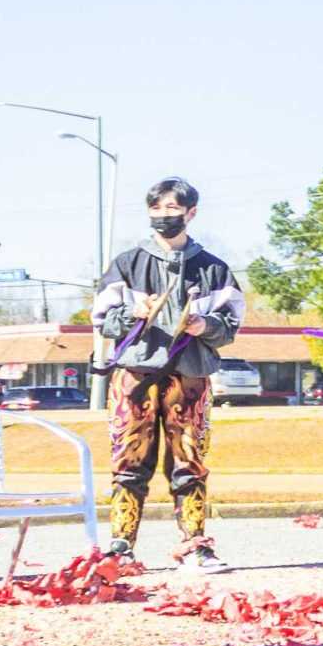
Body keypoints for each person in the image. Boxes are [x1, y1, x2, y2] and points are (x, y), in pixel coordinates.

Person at [90, 177, 244, 572]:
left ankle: (195, 544)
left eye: (172, 209)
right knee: (129, 457)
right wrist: (133, 314)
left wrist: (204, 325)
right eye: (156, 210)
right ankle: (121, 545)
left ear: (190, 213)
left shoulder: (213, 268)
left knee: (190, 458)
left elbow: (231, 325)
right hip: (136, 375)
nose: (163, 217)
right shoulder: (127, 263)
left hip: (190, 375)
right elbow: (102, 320)